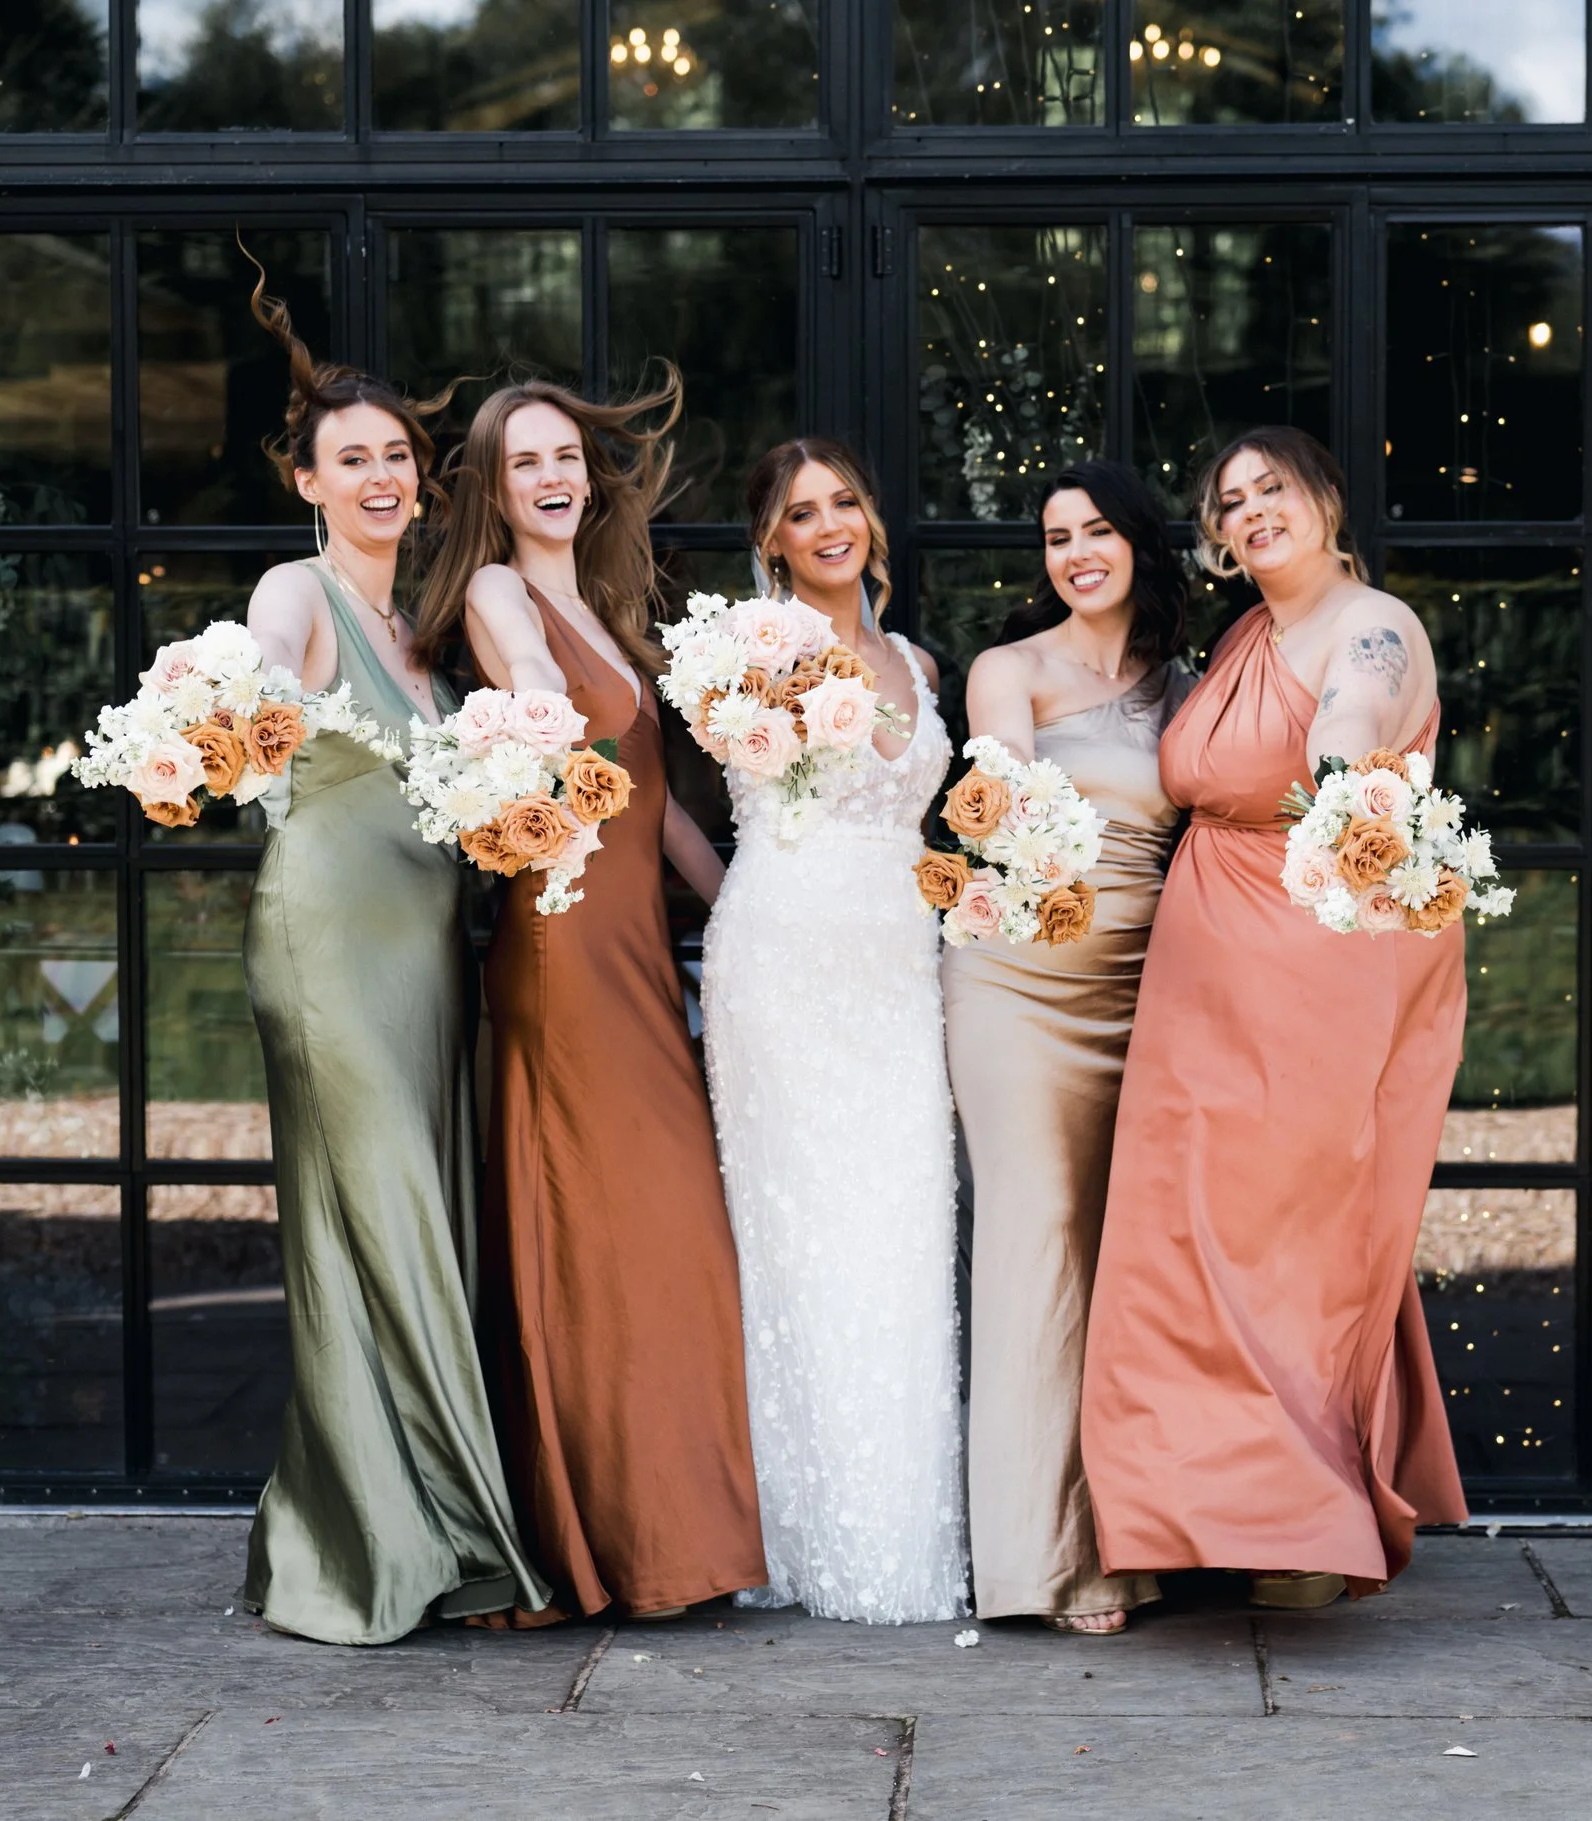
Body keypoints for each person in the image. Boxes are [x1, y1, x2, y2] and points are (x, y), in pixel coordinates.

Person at [1079, 426, 1468, 1610]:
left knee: (1287, 1241)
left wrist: (1344, 775)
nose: (1251, 513)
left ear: (1326, 500)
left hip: (1316, 963)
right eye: (1230, 501)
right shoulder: (1244, 632)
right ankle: (1175, 1517)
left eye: (1273, 491)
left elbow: (1349, 725)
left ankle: (1301, 1526)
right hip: (1200, 982)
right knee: (1179, 1246)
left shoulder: (1374, 625)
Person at [414, 371, 764, 1624]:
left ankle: (671, 1532)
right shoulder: (506, 592)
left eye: (565, 456)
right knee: (611, 1229)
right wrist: (544, 710)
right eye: (524, 464)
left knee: (661, 1232)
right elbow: (522, 676)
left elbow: (659, 803)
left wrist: (746, 913)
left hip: (629, 946)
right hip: (560, 944)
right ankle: (614, 1544)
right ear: (494, 490)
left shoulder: (608, 603)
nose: (552, 476)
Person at [235, 283, 551, 1645]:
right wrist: (224, 722)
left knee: (399, 1225)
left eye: (397, 457)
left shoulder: (428, 639)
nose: (380, 475)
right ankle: (462, 1545)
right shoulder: (294, 593)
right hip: (324, 947)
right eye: (352, 456)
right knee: (387, 1219)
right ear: (309, 480)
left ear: (422, 486)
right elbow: (244, 696)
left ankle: (365, 1522)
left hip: (426, 961)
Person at [699, 436, 969, 1625]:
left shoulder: (912, 657)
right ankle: (795, 1536)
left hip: (901, 968)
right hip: (787, 958)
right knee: (796, 1236)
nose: (827, 526)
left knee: (903, 1229)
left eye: (845, 502)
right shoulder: (746, 651)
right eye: (800, 513)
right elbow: (718, 793)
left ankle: (901, 1539)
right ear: (771, 540)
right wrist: (744, 907)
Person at [941, 461, 1190, 1635]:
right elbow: (1006, 775)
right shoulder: (1012, 670)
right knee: (1038, 1243)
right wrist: (1020, 815)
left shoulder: (1187, 687)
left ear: (1140, 542)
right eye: (1054, 536)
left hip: (1157, 989)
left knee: (1130, 1260)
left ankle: (1145, 1531)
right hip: (1022, 983)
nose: (1076, 552)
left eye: (1096, 531)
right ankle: (1045, 1559)